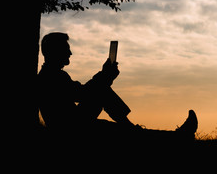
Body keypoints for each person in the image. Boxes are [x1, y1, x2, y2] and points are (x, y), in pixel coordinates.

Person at [37, 32, 198, 141]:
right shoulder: (51, 77)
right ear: (55, 51)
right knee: (108, 103)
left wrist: (105, 76)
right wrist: (105, 75)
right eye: (66, 49)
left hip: (72, 125)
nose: (70, 53)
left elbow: (84, 93)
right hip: (70, 130)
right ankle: (176, 137)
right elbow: (84, 94)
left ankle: (172, 135)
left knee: (105, 97)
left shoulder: (53, 75)